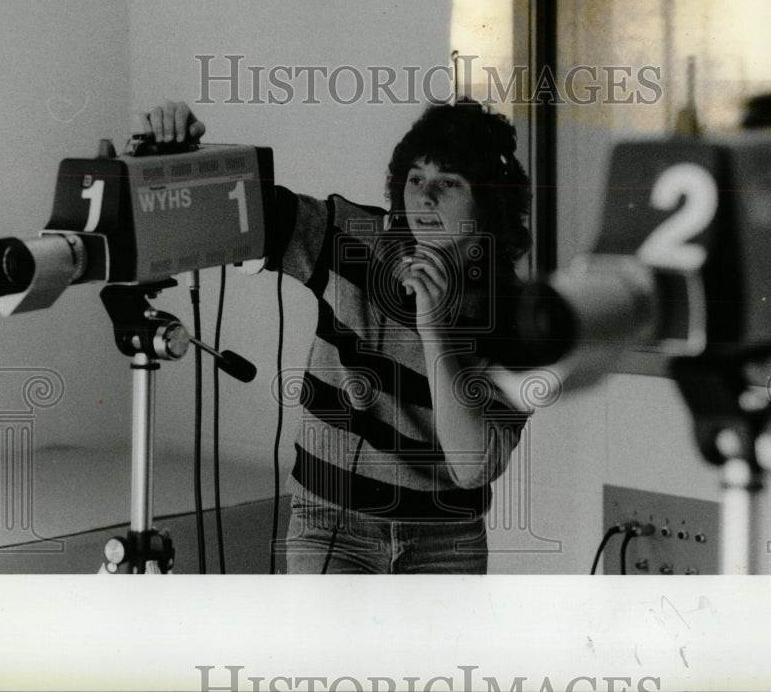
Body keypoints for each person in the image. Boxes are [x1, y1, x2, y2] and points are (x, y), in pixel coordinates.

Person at [143, 98, 533, 573]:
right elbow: (241, 213)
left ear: (490, 204)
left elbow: (473, 467)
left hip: (445, 542)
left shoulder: (521, 317)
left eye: (448, 183)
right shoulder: (354, 239)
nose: (423, 197)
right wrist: (177, 156)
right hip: (330, 526)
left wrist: (435, 327)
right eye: (415, 178)